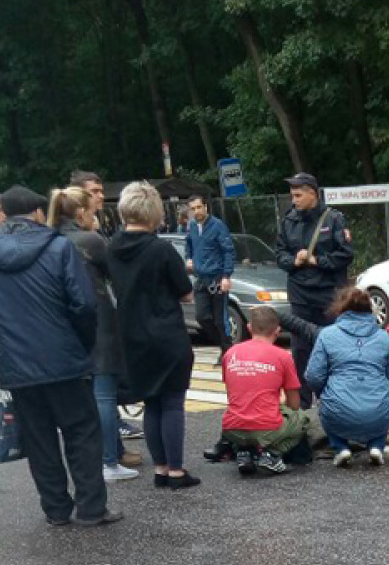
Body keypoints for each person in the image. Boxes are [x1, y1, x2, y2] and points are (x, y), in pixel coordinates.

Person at [0, 185, 122, 526]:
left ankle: (55, 509)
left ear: (3, 213)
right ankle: (92, 508)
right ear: (37, 213)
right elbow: (82, 304)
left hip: (16, 366)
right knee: (81, 432)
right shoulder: (59, 246)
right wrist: (82, 345)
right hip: (65, 360)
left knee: (38, 440)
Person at [108, 181, 200, 490]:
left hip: (132, 335)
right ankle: (176, 470)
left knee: (152, 403)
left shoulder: (112, 248)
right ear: (154, 212)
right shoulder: (161, 248)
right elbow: (185, 293)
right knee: (172, 402)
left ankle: (160, 468)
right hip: (166, 333)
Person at [48, 186, 141, 482]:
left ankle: (95, 461)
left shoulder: (50, 239)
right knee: (104, 395)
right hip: (99, 321)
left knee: (81, 399)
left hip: (63, 328)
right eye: (92, 211)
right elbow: (117, 275)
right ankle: (109, 460)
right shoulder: (89, 240)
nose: (95, 216)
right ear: (80, 212)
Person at [70, 169, 144, 444]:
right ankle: (109, 453)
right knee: (102, 388)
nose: (101, 196)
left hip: (95, 316)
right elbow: (113, 271)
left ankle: (112, 443)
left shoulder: (95, 226)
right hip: (97, 318)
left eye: (101, 191)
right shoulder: (87, 236)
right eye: (94, 192)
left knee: (102, 386)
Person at [275, 173, 354, 409]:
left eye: (298, 195)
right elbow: (279, 254)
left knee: (333, 348)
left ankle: (336, 403)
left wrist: (317, 260)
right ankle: (302, 409)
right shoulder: (289, 220)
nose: (295, 200)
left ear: (313, 193)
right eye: (292, 195)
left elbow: (346, 255)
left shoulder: (334, 219)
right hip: (301, 295)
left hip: (329, 294)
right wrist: (294, 261)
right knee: (300, 351)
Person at [305, 287, 389, 467]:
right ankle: (376, 446)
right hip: (379, 414)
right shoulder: (384, 338)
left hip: (338, 411)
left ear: (340, 308)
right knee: (379, 412)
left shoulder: (327, 335)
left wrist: (325, 396)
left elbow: (313, 376)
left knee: (326, 410)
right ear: (370, 310)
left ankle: (341, 447)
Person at [218, 306, 313, 475]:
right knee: (302, 419)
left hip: (231, 428)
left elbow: (233, 395)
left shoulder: (230, 353)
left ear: (248, 327)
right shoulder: (283, 356)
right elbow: (294, 403)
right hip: (266, 427)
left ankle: (244, 452)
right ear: (277, 331)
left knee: (247, 416)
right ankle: (271, 455)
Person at [184, 195, 236, 359]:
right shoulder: (191, 226)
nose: (196, 211)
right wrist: (189, 258)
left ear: (205, 207)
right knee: (202, 317)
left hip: (217, 278)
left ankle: (227, 351)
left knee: (221, 320)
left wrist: (226, 276)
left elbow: (228, 250)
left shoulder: (218, 226)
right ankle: (223, 345)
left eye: (199, 207)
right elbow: (188, 244)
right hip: (201, 280)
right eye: (193, 209)